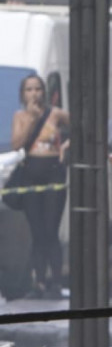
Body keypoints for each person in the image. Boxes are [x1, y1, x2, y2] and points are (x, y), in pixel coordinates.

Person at [10, 74, 70, 299]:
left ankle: (55, 282)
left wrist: (67, 144)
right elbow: (17, 143)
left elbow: (81, 126)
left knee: (51, 230)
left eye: (38, 89)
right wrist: (33, 120)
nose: (34, 93)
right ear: (23, 94)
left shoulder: (55, 113)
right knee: (37, 232)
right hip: (31, 176)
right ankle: (40, 282)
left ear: (44, 92)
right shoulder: (20, 116)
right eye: (29, 89)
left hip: (53, 175)